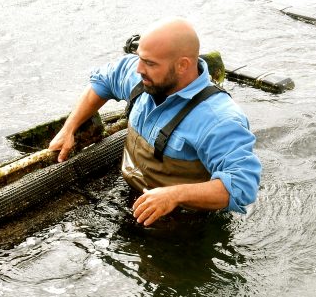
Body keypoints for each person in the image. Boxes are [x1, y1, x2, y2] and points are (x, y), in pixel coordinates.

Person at [48, 18, 261, 226]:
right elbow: (105, 79)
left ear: (182, 65)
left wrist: (174, 196)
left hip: (185, 225)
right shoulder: (143, 77)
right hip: (134, 198)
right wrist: (70, 128)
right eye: (140, 57)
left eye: (149, 63)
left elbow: (243, 187)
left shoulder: (219, 120)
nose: (139, 69)